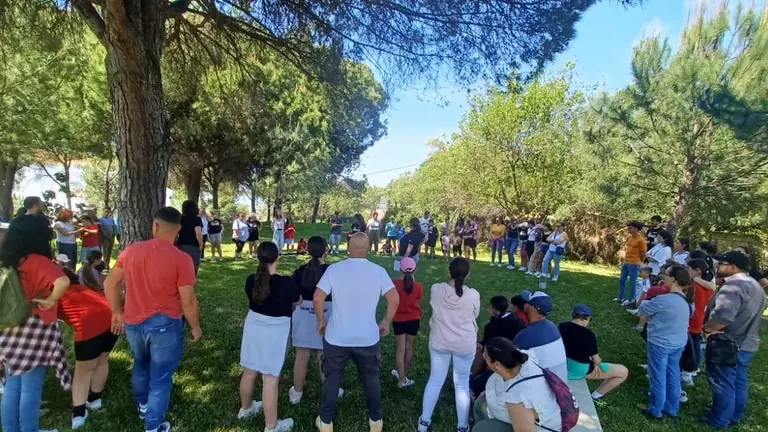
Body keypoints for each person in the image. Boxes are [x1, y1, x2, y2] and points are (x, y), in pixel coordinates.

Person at [104, 207, 201, 432]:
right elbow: (188, 301)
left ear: (155, 226)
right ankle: (153, 426)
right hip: (165, 325)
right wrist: (195, 327)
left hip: (133, 322)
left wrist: (116, 311)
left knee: (140, 363)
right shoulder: (182, 259)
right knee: (161, 376)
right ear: (178, 230)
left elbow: (110, 283)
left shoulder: (130, 251)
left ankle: (144, 406)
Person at [313, 233, 399, 432]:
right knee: (371, 378)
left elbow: (318, 298)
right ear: (367, 249)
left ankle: (326, 422)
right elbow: (394, 298)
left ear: (349, 248)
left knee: (332, 378)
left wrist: (320, 321)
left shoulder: (334, 269)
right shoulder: (378, 271)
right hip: (368, 338)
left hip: (336, 337)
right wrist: (386, 321)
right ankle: (376, 420)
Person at [0, 217, 71, 432]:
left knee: (12, 384)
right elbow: (63, 281)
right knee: (31, 386)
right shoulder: (37, 261)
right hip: (35, 328)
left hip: (8, 327)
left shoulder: (8, 260)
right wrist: (50, 300)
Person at [700, 251, 767, 428]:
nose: (717, 266)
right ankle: (734, 415)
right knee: (739, 381)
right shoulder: (755, 285)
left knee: (723, 382)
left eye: (721, 263)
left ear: (733, 267)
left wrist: (707, 329)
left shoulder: (733, 287)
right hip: (748, 343)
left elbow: (723, 317)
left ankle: (719, 419)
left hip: (728, 343)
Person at [237, 242, 298, 431]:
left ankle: (245, 409)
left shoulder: (250, 280)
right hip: (276, 331)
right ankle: (272, 426)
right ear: (277, 258)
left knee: (249, 370)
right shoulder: (287, 283)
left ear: (258, 258)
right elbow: (298, 301)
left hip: (253, 326)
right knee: (270, 377)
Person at [418, 257, 480, 432]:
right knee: (462, 383)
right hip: (464, 344)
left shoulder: (436, 289)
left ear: (449, 271)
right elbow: (474, 315)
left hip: (439, 341)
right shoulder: (473, 295)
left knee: (435, 380)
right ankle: (462, 426)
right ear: (467, 274)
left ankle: (424, 421)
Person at [58, 267, 117, 429]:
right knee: (102, 360)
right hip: (112, 320)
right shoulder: (80, 287)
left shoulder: (56, 294)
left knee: (82, 371)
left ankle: (79, 413)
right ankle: (95, 399)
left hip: (90, 328)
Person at [288, 236, 343, 405]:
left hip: (302, 315)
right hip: (325, 315)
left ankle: (296, 392)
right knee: (323, 356)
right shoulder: (332, 271)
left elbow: (293, 297)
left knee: (301, 356)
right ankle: (329, 390)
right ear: (326, 250)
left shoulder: (299, 271)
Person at [471, 338, 563, 432]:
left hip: (534, 427)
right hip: (520, 414)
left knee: (480, 429)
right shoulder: (520, 359)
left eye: (485, 356)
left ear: (497, 364)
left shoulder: (517, 399)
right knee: (481, 404)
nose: (484, 357)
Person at [637, 265, 692, 420]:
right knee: (673, 374)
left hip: (660, 343)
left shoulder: (663, 300)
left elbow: (642, 308)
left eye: (666, 274)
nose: (662, 276)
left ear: (673, 279)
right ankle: (672, 408)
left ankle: (655, 410)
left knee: (657, 376)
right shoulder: (686, 300)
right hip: (678, 343)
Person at [559, 305, 628, 400]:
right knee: (623, 371)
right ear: (588, 318)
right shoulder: (589, 335)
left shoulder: (562, 326)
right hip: (578, 370)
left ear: (573, 315)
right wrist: (599, 362)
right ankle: (596, 395)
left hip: (562, 363)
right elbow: (596, 360)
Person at [511, 291, 567, 382]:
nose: (524, 305)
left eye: (527, 303)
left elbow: (509, 361)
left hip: (544, 389)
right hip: (561, 385)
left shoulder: (525, 335)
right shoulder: (553, 326)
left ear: (534, 308)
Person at [680, 258, 716, 385]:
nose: (686, 270)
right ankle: (693, 368)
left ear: (697, 271)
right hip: (701, 317)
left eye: (688, 268)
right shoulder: (709, 284)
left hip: (692, 317)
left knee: (688, 346)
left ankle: (687, 371)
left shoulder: (693, 285)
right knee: (695, 343)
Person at [471, 295, 526, 376]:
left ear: (496, 311)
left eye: (491, 307)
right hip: (518, 350)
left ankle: (472, 376)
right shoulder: (516, 319)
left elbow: (487, 340)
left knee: (480, 351)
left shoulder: (491, 327)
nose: (489, 309)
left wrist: (481, 344)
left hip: (501, 353)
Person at [390, 257, 423, 388]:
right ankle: (403, 375)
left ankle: (401, 377)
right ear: (415, 270)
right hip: (414, 320)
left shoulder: (394, 284)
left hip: (398, 320)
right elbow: (419, 298)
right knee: (409, 347)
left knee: (400, 349)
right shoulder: (418, 286)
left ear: (400, 269)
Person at [615, 221, 647, 305]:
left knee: (632, 282)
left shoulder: (641, 240)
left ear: (636, 229)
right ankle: (620, 297)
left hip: (634, 263)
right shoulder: (629, 237)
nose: (628, 229)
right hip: (626, 262)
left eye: (630, 228)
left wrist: (640, 262)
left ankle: (631, 299)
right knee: (622, 280)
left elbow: (642, 253)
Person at [176, 200, 204, 274]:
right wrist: (201, 244)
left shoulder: (179, 219)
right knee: (193, 267)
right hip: (193, 245)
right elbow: (198, 232)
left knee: (182, 267)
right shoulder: (196, 219)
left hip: (181, 244)